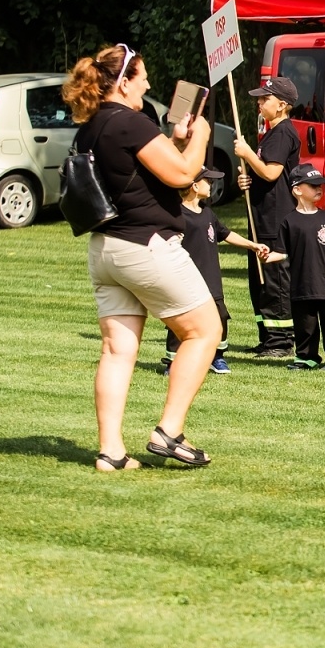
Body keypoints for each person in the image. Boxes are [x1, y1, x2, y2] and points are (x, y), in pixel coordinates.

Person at [63, 44, 219, 471]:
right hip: (145, 245)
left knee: (116, 350)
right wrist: (201, 135)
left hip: (105, 249)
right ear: (124, 81)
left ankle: (111, 452)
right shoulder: (131, 122)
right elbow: (184, 175)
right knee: (205, 331)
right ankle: (169, 431)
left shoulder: (92, 126)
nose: (149, 84)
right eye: (142, 76)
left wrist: (174, 140)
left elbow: (142, 171)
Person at [163, 166, 268, 374]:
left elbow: (226, 234)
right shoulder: (177, 215)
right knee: (182, 318)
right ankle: (173, 361)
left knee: (219, 316)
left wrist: (253, 245)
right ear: (194, 186)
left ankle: (216, 357)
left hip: (211, 279)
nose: (212, 185)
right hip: (186, 279)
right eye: (208, 181)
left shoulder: (208, 214)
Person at [234, 76, 301, 358]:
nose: (259, 103)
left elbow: (273, 172)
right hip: (261, 216)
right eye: (259, 99)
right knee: (258, 280)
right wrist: (248, 180)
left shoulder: (284, 132)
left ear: (282, 105)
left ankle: (281, 340)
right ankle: (267, 336)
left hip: (276, 218)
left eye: (265, 99)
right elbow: (265, 174)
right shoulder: (270, 134)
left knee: (274, 279)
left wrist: (248, 153)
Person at [274, 164, 325, 372]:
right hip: (301, 284)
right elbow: (282, 251)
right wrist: (266, 254)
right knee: (305, 324)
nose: (319, 189)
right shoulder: (289, 222)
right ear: (297, 190)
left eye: (321, 185)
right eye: (314, 185)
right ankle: (307, 356)